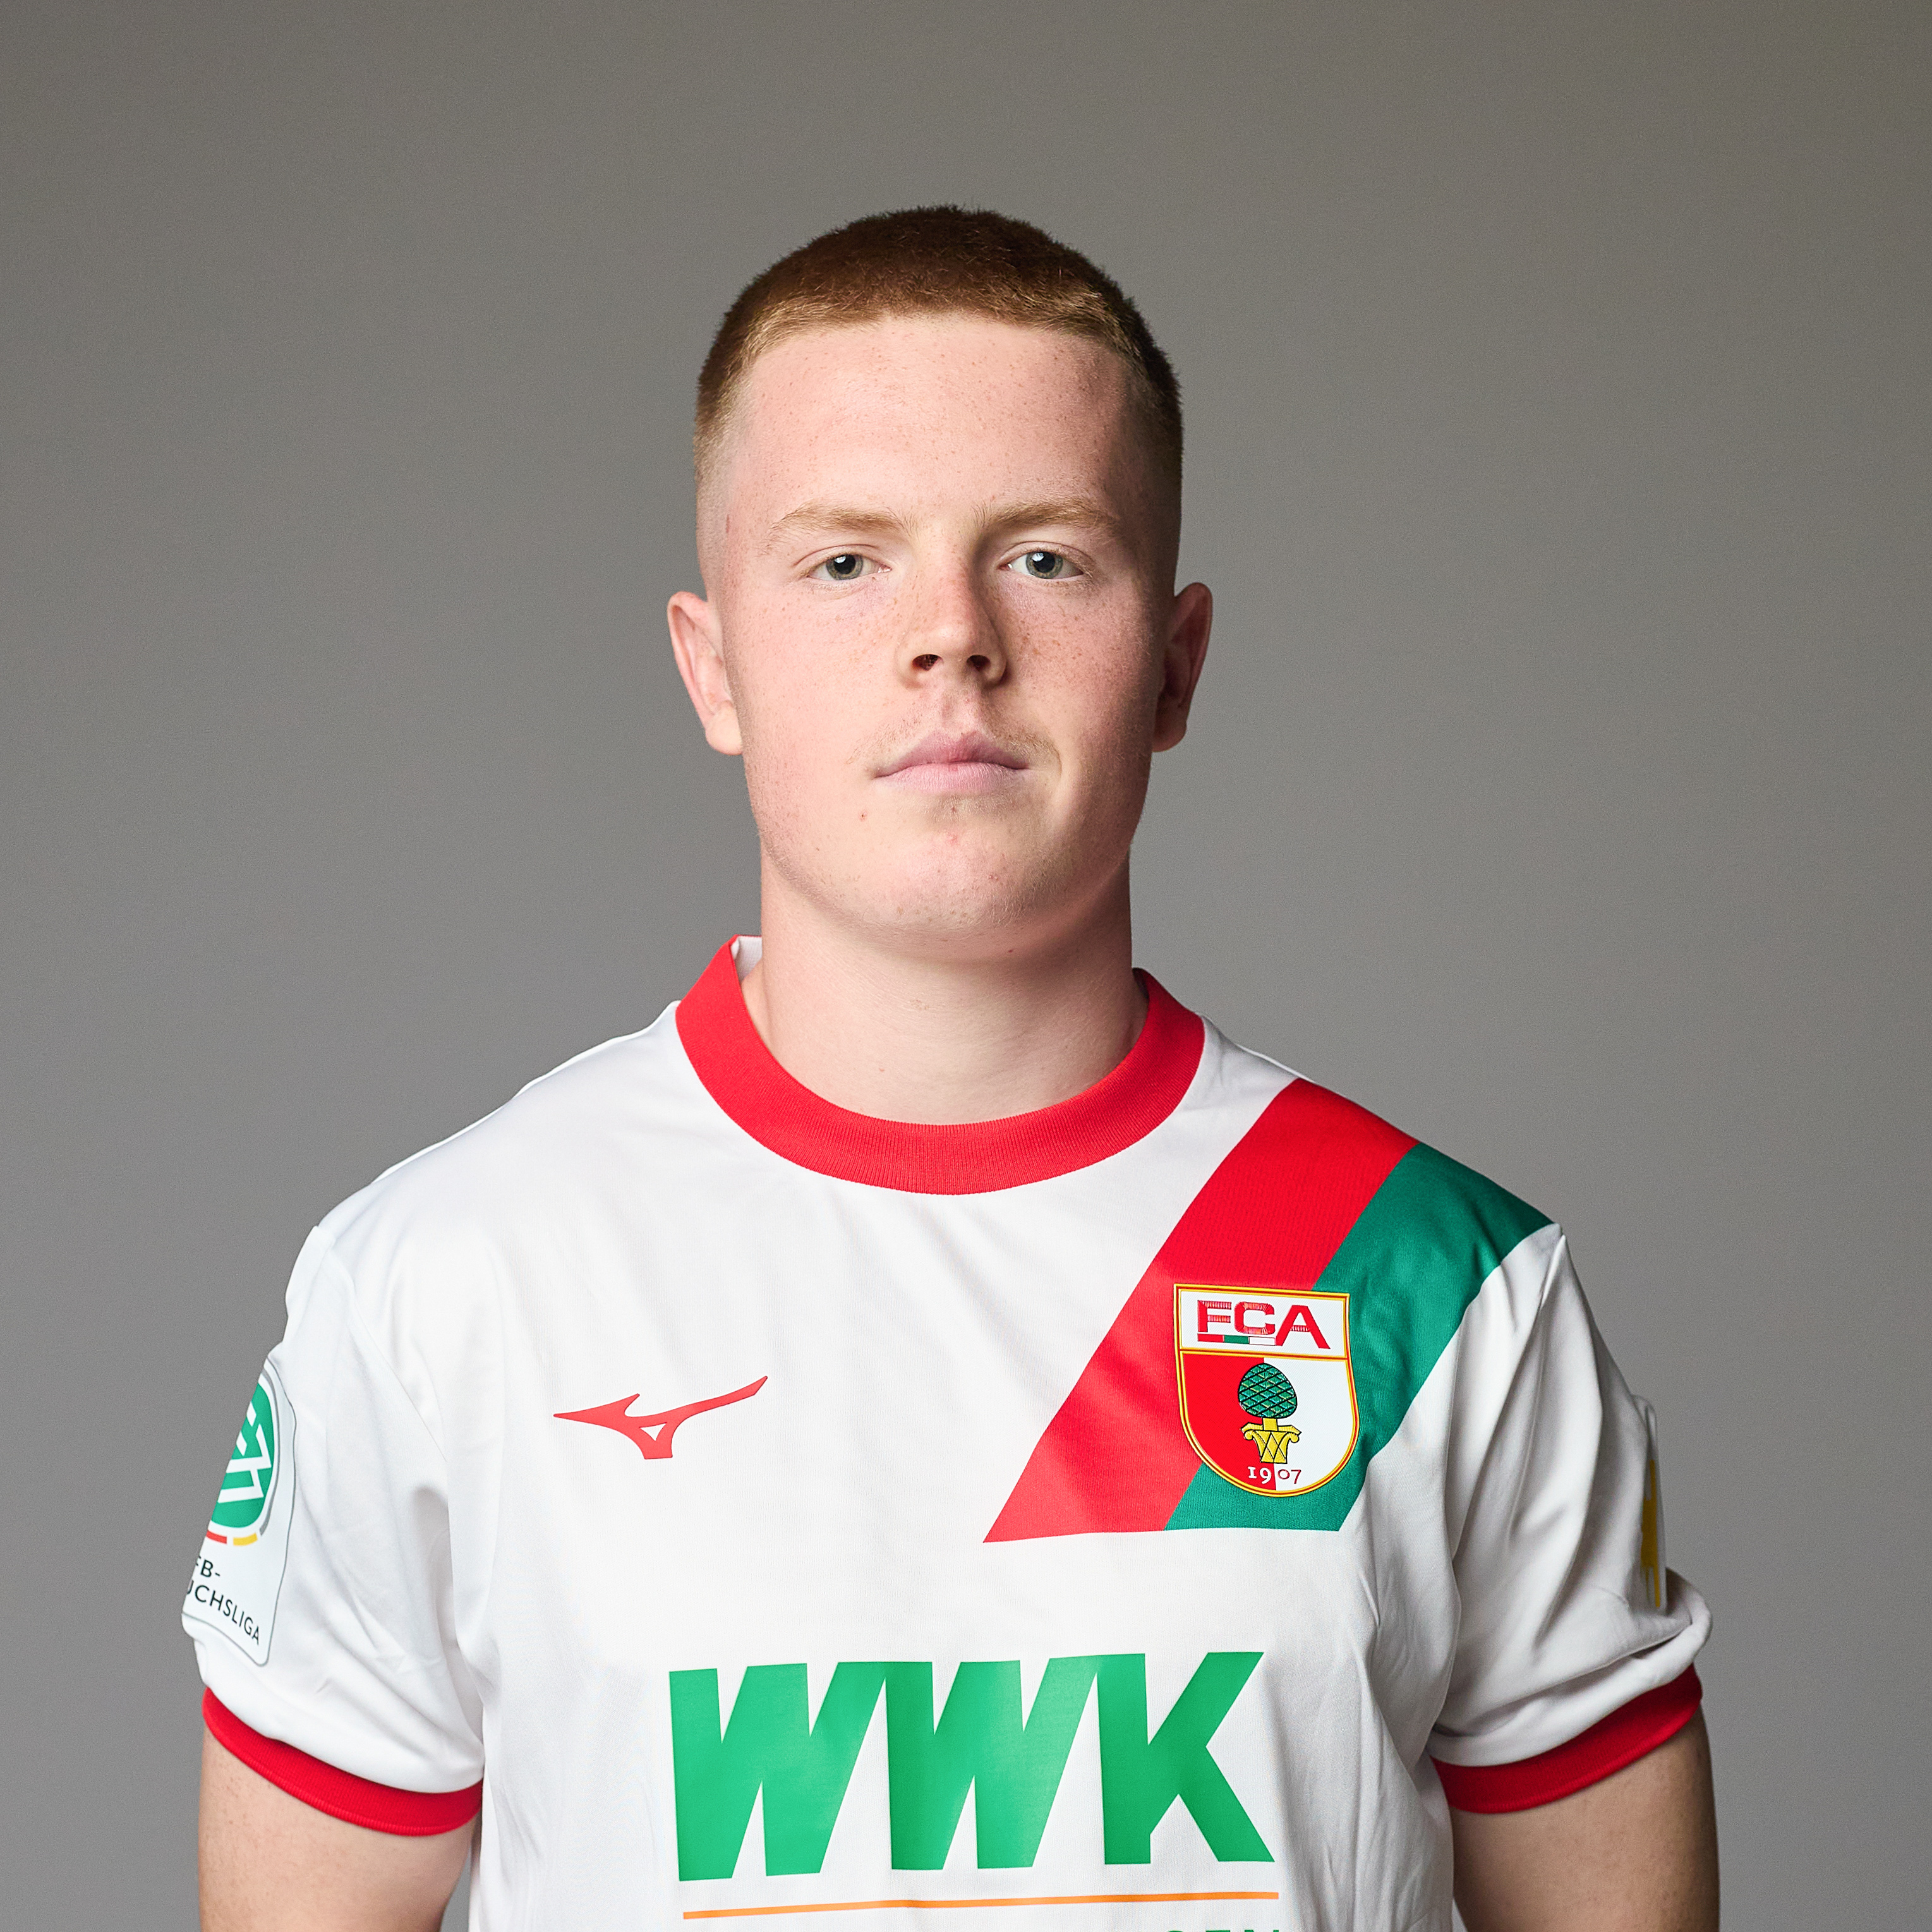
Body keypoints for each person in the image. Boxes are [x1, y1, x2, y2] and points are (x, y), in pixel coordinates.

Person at [188, 208, 1717, 1932]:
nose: (951, 637)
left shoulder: (1443, 1285)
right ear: (712, 666)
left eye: (1045, 557)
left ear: (1175, 666)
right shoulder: (441, 1283)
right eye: (846, 561)